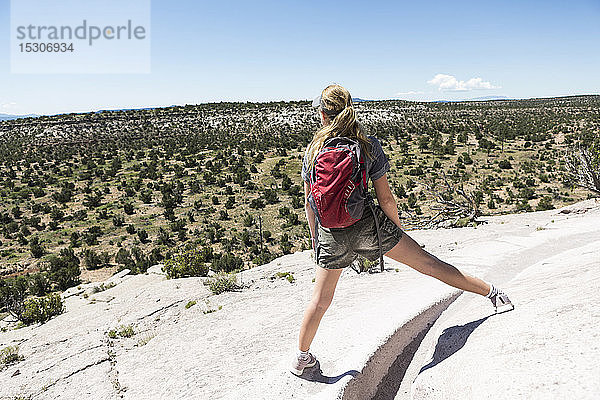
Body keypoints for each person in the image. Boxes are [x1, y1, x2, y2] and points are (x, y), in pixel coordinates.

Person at [291, 84, 514, 376]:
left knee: (320, 301)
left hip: (331, 234)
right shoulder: (367, 145)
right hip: (369, 227)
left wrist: (316, 240)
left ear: (322, 115)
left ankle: (301, 358)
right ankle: (493, 294)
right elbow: (385, 198)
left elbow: (310, 205)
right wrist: (396, 233)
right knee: (428, 264)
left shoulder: (313, 151)